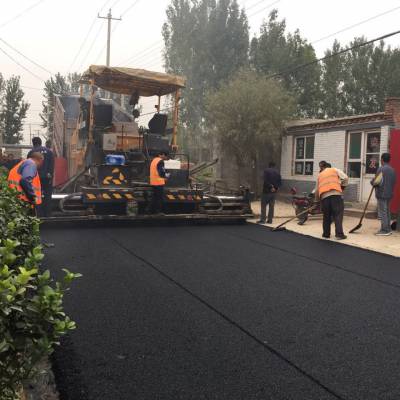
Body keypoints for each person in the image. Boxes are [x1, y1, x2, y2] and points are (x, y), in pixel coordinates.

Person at [316, 161, 348, 240]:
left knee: (326, 216)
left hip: (324, 197)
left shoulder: (320, 175)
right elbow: (345, 178)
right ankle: (339, 234)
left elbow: (317, 189)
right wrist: (342, 187)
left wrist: (317, 201)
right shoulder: (334, 170)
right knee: (338, 214)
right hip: (336, 195)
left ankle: (326, 234)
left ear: (323, 168)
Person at [27, 137, 54, 217]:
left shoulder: (31, 152)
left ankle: (38, 214)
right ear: (41, 142)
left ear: (33, 143)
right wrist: (50, 175)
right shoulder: (49, 152)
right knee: (47, 195)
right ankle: (48, 214)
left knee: (36, 196)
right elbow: (52, 165)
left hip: (35, 178)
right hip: (47, 177)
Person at [371, 153, 396, 236]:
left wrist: (372, 181)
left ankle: (385, 230)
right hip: (389, 194)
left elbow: (376, 182)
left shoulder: (381, 169)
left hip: (382, 194)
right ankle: (388, 228)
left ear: (382, 160)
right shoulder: (392, 170)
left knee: (383, 212)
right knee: (387, 211)